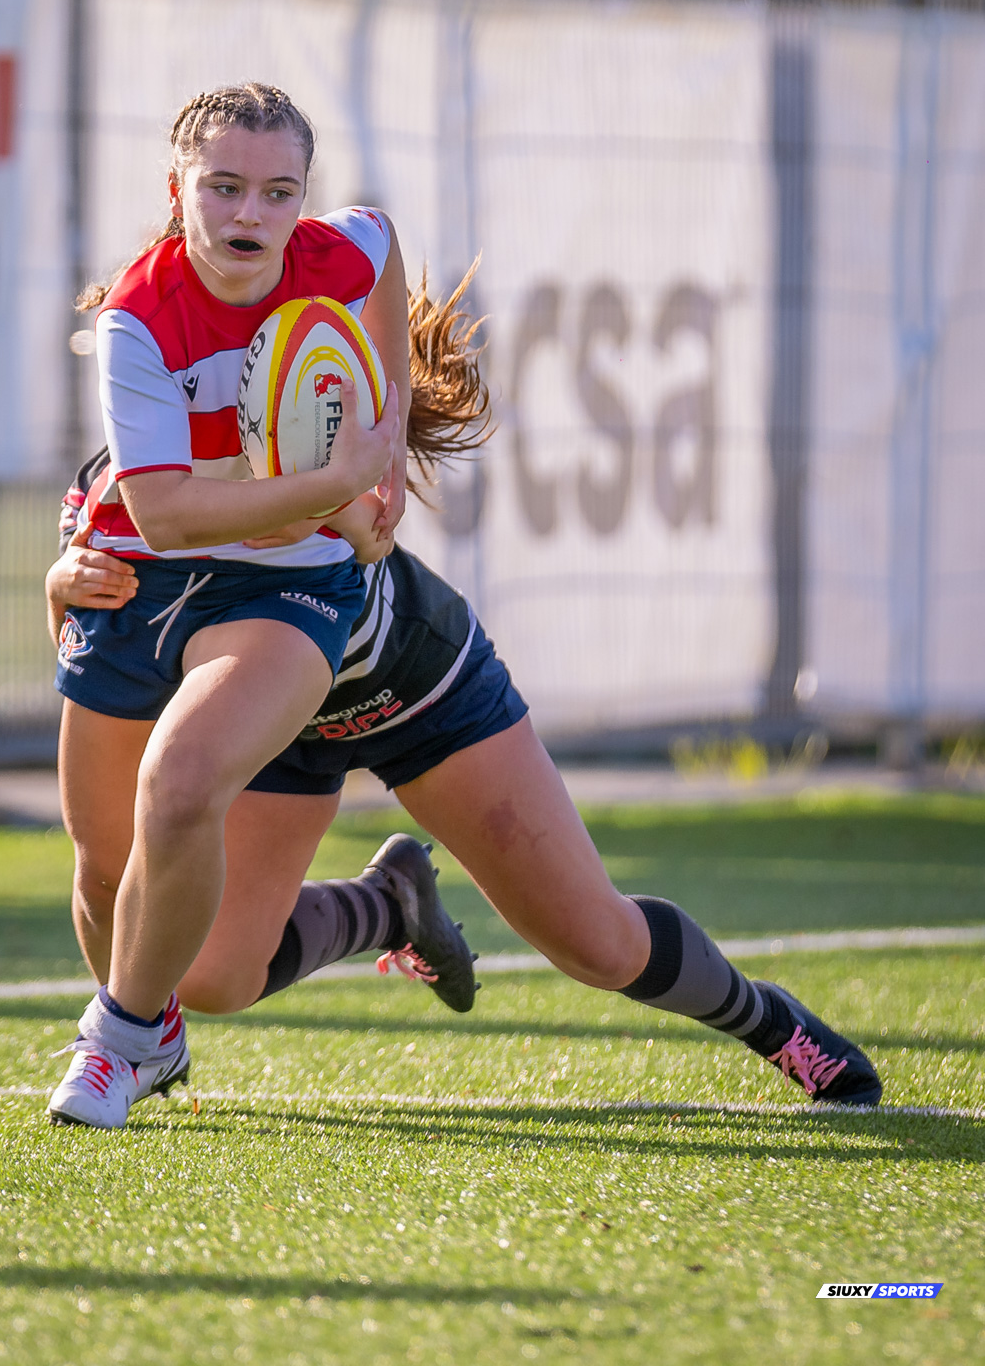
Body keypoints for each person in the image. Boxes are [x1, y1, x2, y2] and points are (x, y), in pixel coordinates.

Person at [47, 276, 882, 1126]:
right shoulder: (132, 479)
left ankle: (768, 1022)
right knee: (209, 976)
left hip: (407, 682)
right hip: (275, 721)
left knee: (596, 943)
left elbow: (343, 515)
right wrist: (60, 582)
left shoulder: (304, 440)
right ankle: (388, 905)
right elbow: (97, 616)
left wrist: (343, 497)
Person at [46, 82, 410, 1128]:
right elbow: (164, 517)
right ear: (178, 190)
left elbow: (383, 246)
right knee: (104, 870)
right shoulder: (136, 318)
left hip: (289, 584)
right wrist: (336, 484)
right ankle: (153, 1032)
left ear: (302, 198)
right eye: (223, 187)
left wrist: (384, 428)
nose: (251, 213)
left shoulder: (332, 254)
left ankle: (115, 1043)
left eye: (277, 192)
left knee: (179, 785)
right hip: (138, 573)